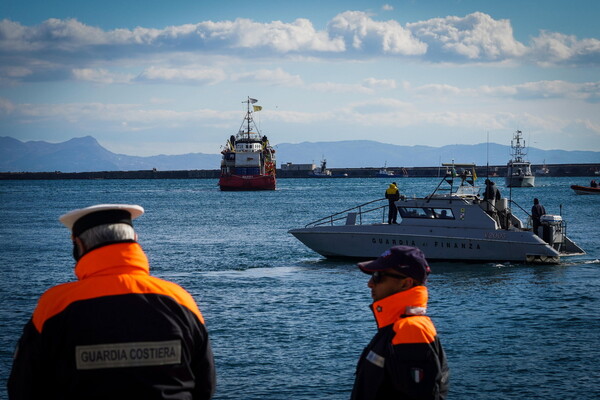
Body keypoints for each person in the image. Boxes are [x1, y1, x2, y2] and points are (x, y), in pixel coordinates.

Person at [8, 204, 216, 400]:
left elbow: (24, 388)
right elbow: (205, 385)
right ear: (135, 239)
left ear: (78, 245)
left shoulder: (55, 305)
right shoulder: (180, 299)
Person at [351, 246, 449, 400]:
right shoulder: (396, 328)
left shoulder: (410, 330)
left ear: (405, 283)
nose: (370, 283)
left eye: (378, 276)